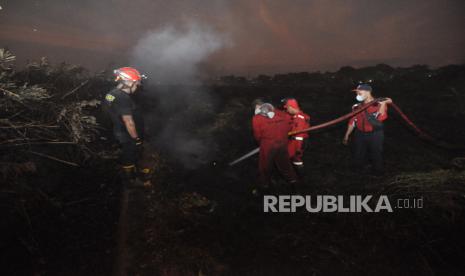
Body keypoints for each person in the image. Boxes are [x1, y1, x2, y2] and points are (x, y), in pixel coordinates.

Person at [103, 67, 152, 186]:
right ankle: (132, 180)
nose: (137, 86)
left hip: (119, 131)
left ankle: (132, 175)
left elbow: (108, 111)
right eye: (136, 83)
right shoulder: (123, 98)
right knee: (131, 155)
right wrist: (136, 139)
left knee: (128, 153)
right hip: (127, 134)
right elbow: (128, 122)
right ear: (128, 82)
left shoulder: (111, 93)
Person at [342, 84, 392, 175]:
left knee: (376, 154)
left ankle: (378, 173)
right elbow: (352, 121)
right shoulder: (356, 106)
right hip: (359, 134)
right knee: (358, 154)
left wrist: (384, 104)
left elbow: (381, 118)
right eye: (356, 92)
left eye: (359, 91)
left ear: (367, 92)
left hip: (375, 134)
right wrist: (346, 135)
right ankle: (357, 173)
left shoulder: (378, 103)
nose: (357, 93)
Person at [252, 100, 298, 193]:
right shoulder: (283, 114)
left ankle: (264, 185)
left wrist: (262, 142)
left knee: (265, 166)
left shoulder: (257, 118)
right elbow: (290, 126)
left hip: (268, 145)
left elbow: (257, 135)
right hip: (283, 144)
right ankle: (294, 182)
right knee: (285, 164)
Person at [282, 98, 310, 176]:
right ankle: (296, 175)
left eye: (287, 108)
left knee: (295, 159)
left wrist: (298, 149)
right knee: (292, 158)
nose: (287, 110)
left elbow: (299, 136)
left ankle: (299, 176)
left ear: (291, 107)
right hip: (295, 141)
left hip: (298, 143)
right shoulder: (297, 116)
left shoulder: (299, 118)